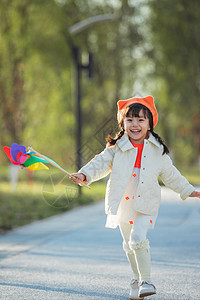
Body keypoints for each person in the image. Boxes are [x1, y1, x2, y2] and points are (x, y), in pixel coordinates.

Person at [70, 96, 200, 300]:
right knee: (128, 244)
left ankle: (146, 280)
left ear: (149, 124)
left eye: (140, 119)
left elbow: (171, 175)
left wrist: (189, 190)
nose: (135, 124)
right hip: (123, 205)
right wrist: (84, 174)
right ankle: (136, 280)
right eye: (129, 120)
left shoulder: (158, 151)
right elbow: (99, 164)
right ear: (122, 123)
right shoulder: (116, 148)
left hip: (146, 205)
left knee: (138, 238)